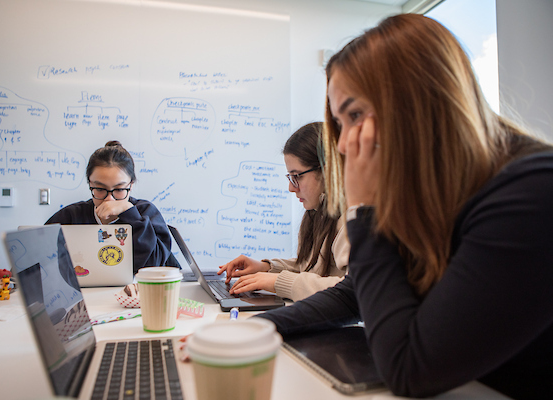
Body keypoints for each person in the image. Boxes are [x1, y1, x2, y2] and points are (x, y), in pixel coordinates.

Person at [256, 14, 553, 399]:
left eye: (355, 116)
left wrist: (364, 211)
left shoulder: (532, 192)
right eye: (340, 123)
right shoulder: (430, 192)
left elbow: (410, 368)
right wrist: (257, 326)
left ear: (417, 102)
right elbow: (354, 293)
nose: (343, 146)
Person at [218, 122, 350, 301]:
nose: (291, 187)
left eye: (297, 176)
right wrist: (266, 268)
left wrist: (277, 282)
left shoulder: (350, 221)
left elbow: (351, 291)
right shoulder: (318, 212)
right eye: (290, 177)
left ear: (327, 171)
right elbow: (310, 268)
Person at [46, 140, 172, 274]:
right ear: (90, 183)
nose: (109, 199)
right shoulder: (71, 216)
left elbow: (154, 265)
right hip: (84, 292)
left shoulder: (146, 212)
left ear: (131, 185)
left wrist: (130, 213)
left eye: (119, 189)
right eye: (100, 189)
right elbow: (39, 254)